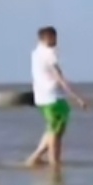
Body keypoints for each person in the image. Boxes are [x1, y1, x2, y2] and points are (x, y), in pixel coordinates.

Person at [25, 26, 87, 168]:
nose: (57, 41)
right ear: (48, 38)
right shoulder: (49, 54)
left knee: (54, 129)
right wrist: (77, 97)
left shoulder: (36, 53)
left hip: (42, 97)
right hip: (52, 97)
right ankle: (53, 162)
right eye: (55, 38)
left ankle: (38, 158)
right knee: (55, 131)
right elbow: (59, 77)